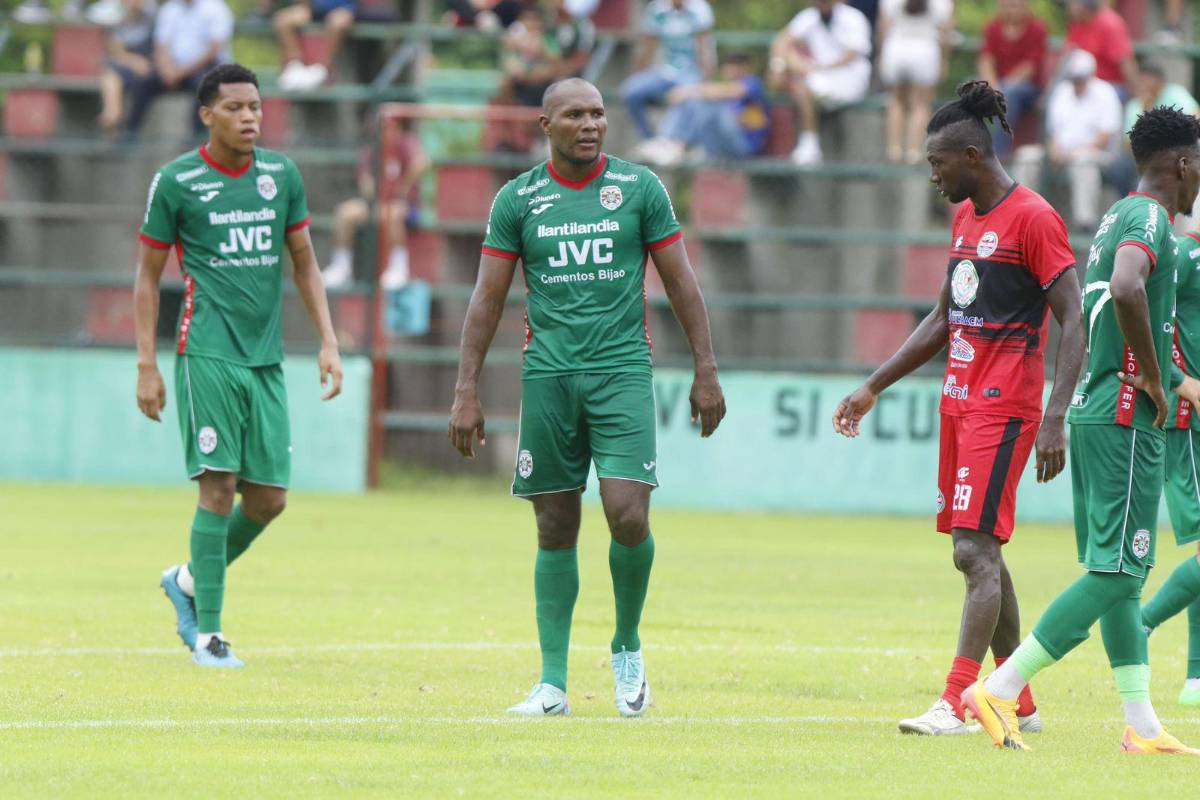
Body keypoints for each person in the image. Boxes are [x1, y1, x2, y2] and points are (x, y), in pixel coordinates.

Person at [448, 77, 726, 717]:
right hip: (548, 377)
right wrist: (466, 388)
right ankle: (552, 684)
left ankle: (627, 647)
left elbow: (682, 282)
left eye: (599, 112)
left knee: (627, 512)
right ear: (546, 125)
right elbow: (487, 298)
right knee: (554, 523)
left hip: (623, 371)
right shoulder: (518, 200)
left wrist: (705, 369)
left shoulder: (640, 189)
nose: (591, 123)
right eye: (575, 114)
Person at [833, 81, 1085, 738]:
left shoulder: (1034, 218)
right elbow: (947, 317)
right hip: (959, 401)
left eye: (938, 162)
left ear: (973, 154)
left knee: (973, 551)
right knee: (984, 553)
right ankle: (1016, 697)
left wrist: (1057, 417)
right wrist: (874, 385)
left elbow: (1074, 320)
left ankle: (958, 700)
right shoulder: (966, 216)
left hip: (1006, 407)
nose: (933, 173)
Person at [964, 105, 1200, 754]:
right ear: (1183, 163)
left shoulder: (1123, 214)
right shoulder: (1151, 218)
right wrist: (1154, 377)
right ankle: (1001, 687)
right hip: (1125, 415)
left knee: (1122, 569)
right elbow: (1127, 288)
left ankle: (1142, 725)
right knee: (1117, 574)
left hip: (1102, 412)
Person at [133, 63, 344, 668]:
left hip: (266, 359)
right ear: (207, 115)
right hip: (207, 353)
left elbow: (304, 262)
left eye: (255, 105)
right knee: (219, 488)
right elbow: (147, 279)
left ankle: (191, 581)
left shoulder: (282, 175)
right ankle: (210, 636)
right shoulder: (176, 182)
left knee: (270, 499)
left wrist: (328, 341)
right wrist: (147, 365)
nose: (250, 116)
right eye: (235, 107)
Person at [1142, 221, 1200, 708]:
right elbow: (1142, 317)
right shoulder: (1182, 254)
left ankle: (1196, 680)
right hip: (1189, 425)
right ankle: (1140, 625)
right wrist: (1184, 383)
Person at [1012, 50, 1122, 230]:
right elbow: (1053, 132)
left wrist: (1071, 154)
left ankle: (1084, 223)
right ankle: (1023, 215)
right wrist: (1055, 150)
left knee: (1083, 162)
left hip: (1097, 155)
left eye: (1081, 77)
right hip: (1062, 153)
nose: (1077, 82)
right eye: (1074, 77)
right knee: (1026, 156)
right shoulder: (1062, 91)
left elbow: (1104, 137)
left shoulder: (1105, 92)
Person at [323, 114, 430, 289]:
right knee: (344, 213)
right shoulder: (371, 151)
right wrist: (373, 193)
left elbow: (422, 162)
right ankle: (341, 267)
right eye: (382, 129)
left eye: (390, 128)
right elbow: (365, 182)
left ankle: (399, 268)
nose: (387, 133)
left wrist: (403, 186)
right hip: (379, 204)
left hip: (407, 207)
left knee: (394, 212)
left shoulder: (406, 143)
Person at [769, 0, 872, 165]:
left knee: (802, 87)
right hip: (820, 77)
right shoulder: (809, 17)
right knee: (789, 69)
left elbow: (854, 53)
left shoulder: (853, 18)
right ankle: (809, 142)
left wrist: (820, 68)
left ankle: (810, 143)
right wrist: (778, 65)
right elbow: (781, 42)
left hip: (850, 78)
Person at [634, 52, 769, 165]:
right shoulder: (724, 86)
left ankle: (679, 145)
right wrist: (690, 93)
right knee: (696, 102)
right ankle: (667, 142)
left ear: (746, 68)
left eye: (735, 67)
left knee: (710, 105)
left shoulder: (752, 82)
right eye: (729, 67)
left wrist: (687, 91)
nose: (731, 71)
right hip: (719, 144)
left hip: (744, 146)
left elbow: (729, 92)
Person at [125, 0, 233, 137]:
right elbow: (161, 44)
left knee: (205, 87)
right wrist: (167, 70)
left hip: (204, 68)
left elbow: (214, 50)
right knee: (141, 83)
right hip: (171, 68)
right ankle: (129, 136)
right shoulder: (170, 8)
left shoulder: (216, 8)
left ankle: (197, 140)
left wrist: (180, 72)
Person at [619, 0, 715, 141]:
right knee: (630, 91)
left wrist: (704, 83)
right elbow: (647, 48)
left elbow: (705, 51)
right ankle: (650, 140)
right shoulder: (657, 9)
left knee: (686, 100)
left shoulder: (700, 9)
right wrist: (638, 76)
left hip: (692, 73)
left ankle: (675, 143)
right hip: (667, 72)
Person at [877, 0, 954, 164]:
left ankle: (894, 150)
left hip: (896, 47)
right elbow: (945, 32)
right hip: (925, 49)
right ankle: (913, 151)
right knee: (921, 104)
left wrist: (881, 55)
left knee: (896, 100)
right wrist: (945, 59)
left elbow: (883, 26)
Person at [977, 0, 1049, 159]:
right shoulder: (993, 27)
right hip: (999, 86)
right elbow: (986, 60)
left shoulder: (1037, 28)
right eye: (1006, 5)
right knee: (971, 88)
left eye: (1014, 5)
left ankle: (997, 155)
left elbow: (1030, 67)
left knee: (1009, 93)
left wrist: (1001, 89)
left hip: (1029, 89)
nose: (1010, 10)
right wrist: (994, 87)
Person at [97, 0, 157, 133]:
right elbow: (116, 51)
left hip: (149, 69)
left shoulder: (153, 19)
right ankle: (112, 116)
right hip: (125, 67)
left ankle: (121, 123)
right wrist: (134, 61)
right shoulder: (115, 19)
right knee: (112, 76)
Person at [275, 0, 356, 91]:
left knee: (339, 23)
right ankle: (295, 65)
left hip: (343, 9)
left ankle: (323, 70)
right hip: (313, 9)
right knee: (283, 19)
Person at [1065, 0, 1136, 100]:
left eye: (1073, 3)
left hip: (1109, 85)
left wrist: (1137, 94)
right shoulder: (1077, 24)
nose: (1069, 7)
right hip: (1080, 83)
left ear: (1084, 6)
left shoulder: (1109, 23)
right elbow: (1066, 58)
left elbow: (1125, 61)